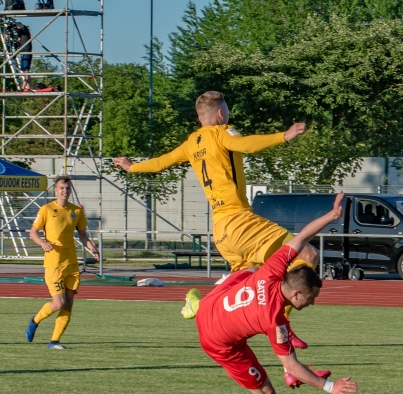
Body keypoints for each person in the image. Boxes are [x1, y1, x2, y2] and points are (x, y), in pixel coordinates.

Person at [114, 91, 316, 378]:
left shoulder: (191, 142)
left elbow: (161, 162)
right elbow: (245, 144)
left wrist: (131, 167)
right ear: (221, 114)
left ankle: (200, 304)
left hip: (221, 230)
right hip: (240, 220)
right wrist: (282, 136)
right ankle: (284, 326)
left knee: (248, 282)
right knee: (307, 254)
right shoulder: (222, 132)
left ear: (199, 117)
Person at [193, 192, 357, 394]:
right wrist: (329, 387)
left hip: (210, 307)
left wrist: (331, 216)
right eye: (311, 298)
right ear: (296, 295)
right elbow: (292, 367)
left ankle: (195, 304)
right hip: (217, 341)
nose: (313, 303)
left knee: (249, 269)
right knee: (265, 392)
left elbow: (301, 237)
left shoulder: (273, 269)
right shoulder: (275, 321)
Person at [26, 176, 99, 349]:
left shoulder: (77, 211)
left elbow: (82, 235)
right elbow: (33, 232)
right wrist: (43, 243)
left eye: (67, 188)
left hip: (71, 263)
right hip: (53, 264)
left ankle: (54, 341)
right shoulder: (46, 209)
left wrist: (92, 248)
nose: (65, 191)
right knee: (58, 303)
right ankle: (35, 320)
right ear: (56, 190)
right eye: (61, 188)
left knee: (68, 303)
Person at [11, 23, 33, 91]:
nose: (17, 30)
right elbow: (17, 45)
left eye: (17, 29)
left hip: (26, 52)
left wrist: (15, 24)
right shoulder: (19, 36)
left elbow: (22, 26)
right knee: (24, 70)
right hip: (22, 53)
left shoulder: (25, 32)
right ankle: (27, 87)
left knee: (26, 70)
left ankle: (24, 87)